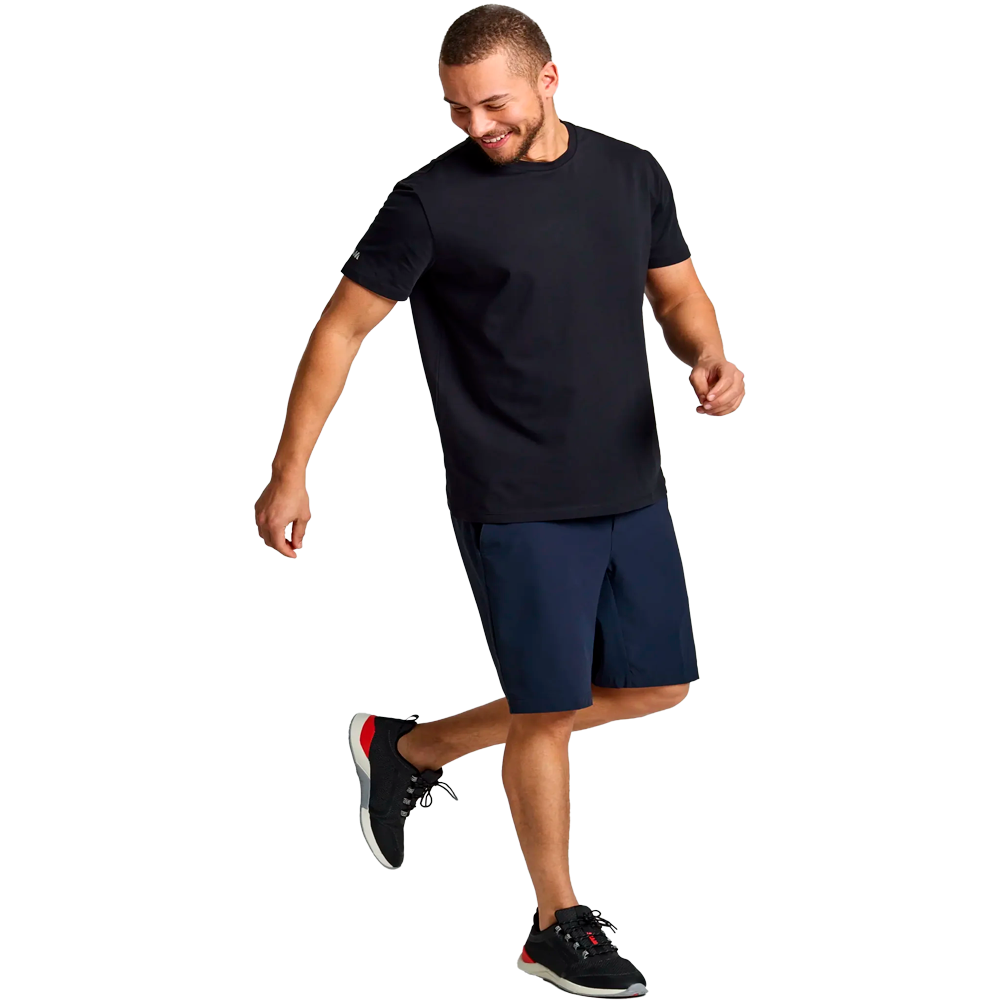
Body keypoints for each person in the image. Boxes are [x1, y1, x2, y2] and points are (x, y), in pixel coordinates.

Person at [255, 5, 745, 996]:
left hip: (630, 480)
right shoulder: (430, 203)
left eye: (493, 104)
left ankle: (411, 746)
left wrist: (709, 356)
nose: (476, 125)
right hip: (514, 497)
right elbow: (340, 329)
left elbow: (676, 292)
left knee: (658, 686)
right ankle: (555, 923)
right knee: (547, 708)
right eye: (456, 108)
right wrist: (290, 469)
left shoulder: (631, 172)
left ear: (549, 79)